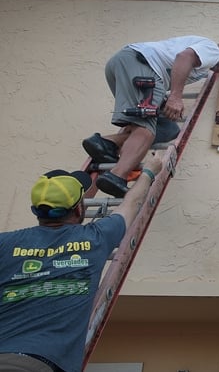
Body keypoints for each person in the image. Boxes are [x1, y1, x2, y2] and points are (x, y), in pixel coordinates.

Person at [0, 153, 163, 372]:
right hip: (39, 365)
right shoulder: (95, 238)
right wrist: (149, 171)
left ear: (36, 211)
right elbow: (132, 202)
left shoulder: (5, 244)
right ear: (79, 209)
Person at [82, 36, 219, 198]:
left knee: (167, 129)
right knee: (146, 130)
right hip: (144, 68)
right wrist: (175, 96)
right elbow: (184, 57)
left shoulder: (203, 67)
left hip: (123, 64)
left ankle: (105, 143)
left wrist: (165, 99)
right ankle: (117, 176)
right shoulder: (212, 50)